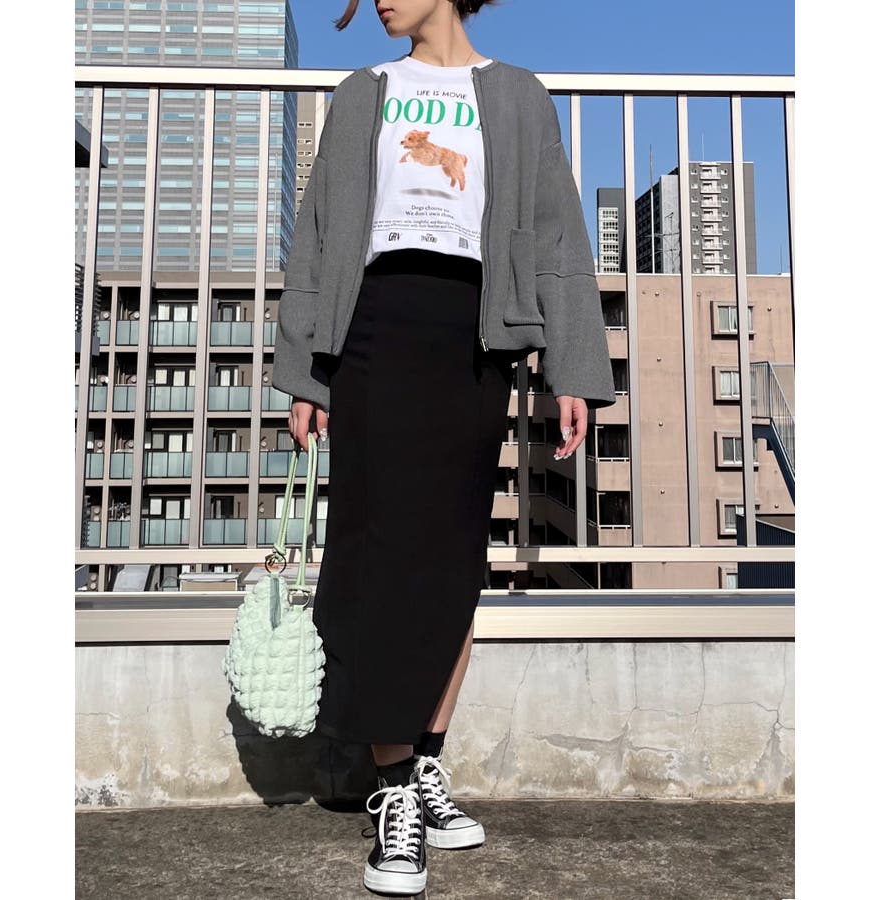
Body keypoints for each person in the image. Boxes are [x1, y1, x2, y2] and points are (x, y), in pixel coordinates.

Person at [272, 1, 616, 894]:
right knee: (381, 550)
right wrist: (307, 373)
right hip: (375, 322)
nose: (377, 1)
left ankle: (425, 761)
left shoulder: (517, 96)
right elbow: (319, 235)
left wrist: (572, 369)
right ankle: (393, 792)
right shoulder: (365, 91)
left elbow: (556, 236)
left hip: (476, 332)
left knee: (454, 556)